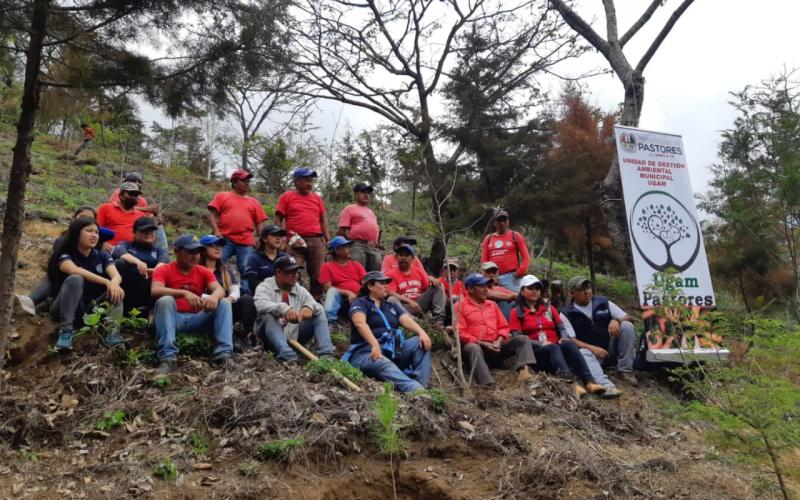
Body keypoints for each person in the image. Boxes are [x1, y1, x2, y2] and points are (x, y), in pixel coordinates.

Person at [509, 275, 609, 398]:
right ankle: (569, 384)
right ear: (522, 291)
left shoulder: (548, 308)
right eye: (530, 288)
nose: (534, 291)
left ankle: (589, 382)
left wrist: (563, 337)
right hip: (536, 352)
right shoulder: (516, 312)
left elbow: (560, 325)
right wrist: (541, 344)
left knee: (569, 344)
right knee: (553, 347)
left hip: (556, 346)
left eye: (537, 288)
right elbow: (518, 338)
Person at [151, 234, 234, 374]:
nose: (195, 256)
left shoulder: (203, 271)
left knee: (224, 303)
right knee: (165, 300)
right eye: (190, 252)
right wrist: (183, 293)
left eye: (197, 252)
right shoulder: (164, 269)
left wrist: (214, 297)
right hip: (172, 318)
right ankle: (167, 357)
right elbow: (155, 290)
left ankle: (223, 354)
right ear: (176, 251)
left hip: (196, 318)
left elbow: (219, 289)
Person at [343, 271, 432, 393]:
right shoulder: (360, 303)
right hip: (365, 352)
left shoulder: (389, 305)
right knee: (382, 362)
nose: (386, 286)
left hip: (393, 350)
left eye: (387, 283)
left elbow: (405, 319)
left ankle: (421, 385)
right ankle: (416, 390)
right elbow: (360, 323)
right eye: (382, 283)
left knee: (419, 343)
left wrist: (422, 333)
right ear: (370, 286)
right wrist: (374, 344)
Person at [46, 217, 125, 350]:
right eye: (89, 231)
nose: (94, 235)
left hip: (88, 309)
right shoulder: (64, 253)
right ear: (77, 233)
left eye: (96, 232)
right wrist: (107, 282)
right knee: (75, 278)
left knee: (117, 290)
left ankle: (112, 333)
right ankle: (66, 331)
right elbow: (74, 270)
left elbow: (116, 275)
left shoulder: (102, 256)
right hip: (62, 308)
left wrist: (114, 284)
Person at [16, 206, 105, 314]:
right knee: (56, 273)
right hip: (65, 279)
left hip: (87, 288)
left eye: (90, 219)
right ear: (73, 218)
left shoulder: (96, 242)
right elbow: (62, 263)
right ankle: (32, 300)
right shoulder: (64, 240)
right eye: (82, 217)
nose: (85, 221)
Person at [456, 273, 536, 386]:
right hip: (478, 350)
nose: (486, 290)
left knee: (522, 339)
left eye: (487, 286)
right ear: (470, 289)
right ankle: (487, 383)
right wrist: (482, 343)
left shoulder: (492, 305)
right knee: (472, 347)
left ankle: (524, 372)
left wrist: (498, 341)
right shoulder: (460, 306)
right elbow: (460, 332)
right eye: (481, 286)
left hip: (496, 347)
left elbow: (504, 326)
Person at [253, 255, 336, 363]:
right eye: (289, 272)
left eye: (296, 271)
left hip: (294, 335)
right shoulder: (265, 286)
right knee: (267, 316)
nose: (294, 275)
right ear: (278, 272)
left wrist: (308, 307)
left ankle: (327, 355)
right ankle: (287, 355)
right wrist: (283, 308)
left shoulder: (299, 289)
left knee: (319, 311)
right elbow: (260, 304)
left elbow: (313, 304)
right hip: (270, 340)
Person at [560, 276, 638, 388]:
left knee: (627, 325)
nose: (587, 291)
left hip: (611, 349)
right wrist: (592, 348)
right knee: (583, 352)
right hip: (591, 354)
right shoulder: (566, 313)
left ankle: (625, 371)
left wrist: (616, 320)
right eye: (582, 290)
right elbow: (572, 339)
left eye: (588, 287)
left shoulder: (603, 302)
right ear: (572, 293)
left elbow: (629, 317)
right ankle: (605, 385)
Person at [207, 169, 268, 293]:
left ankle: (245, 294)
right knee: (216, 263)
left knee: (246, 268)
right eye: (244, 180)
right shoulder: (223, 196)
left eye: (248, 181)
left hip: (246, 240)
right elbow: (212, 214)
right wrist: (216, 230)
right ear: (234, 182)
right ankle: (214, 289)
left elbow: (260, 223)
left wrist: (262, 239)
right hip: (225, 239)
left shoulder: (254, 202)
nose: (247, 183)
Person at [275, 167, 330, 299]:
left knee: (318, 273)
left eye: (311, 180)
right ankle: (293, 298)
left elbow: (323, 220)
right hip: (295, 239)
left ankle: (316, 299)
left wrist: (327, 239)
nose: (310, 183)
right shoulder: (287, 196)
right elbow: (278, 219)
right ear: (297, 181)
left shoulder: (317, 198)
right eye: (306, 180)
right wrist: (280, 239)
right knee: (293, 270)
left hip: (316, 239)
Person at [199, 235, 258, 351]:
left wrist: (228, 300)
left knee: (247, 300)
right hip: (204, 309)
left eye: (219, 246)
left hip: (227, 305)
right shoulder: (196, 269)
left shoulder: (225, 270)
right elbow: (195, 293)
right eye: (212, 246)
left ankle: (244, 335)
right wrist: (217, 299)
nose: (218, 249)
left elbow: (235, 289)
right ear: (202, 250)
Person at [112, 216, 169, 314]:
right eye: (144, 230)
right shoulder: (126, 245)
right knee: (120, 263)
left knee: (164, 271)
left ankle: (151, 310)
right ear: (134, 232)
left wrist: (156, 271)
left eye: (152, 230)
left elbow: (164, 260)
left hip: (148, 289)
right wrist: (137, 262)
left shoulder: (159, 250)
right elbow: (117, 251)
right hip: (127, 288)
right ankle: (119, 306)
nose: (149, 233)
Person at [386, 243, 446, 327]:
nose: (403, 257)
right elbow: (390, 292)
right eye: (401, 255)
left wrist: (432, 280)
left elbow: (427, 287)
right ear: (397, 257)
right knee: (391, 299)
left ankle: (438, 321)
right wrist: (409, 301)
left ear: (413, 258)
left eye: (407, 255)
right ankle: (416, 322)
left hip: (419, 305)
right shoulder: (391, 274)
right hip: (404, 307)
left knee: (438, 286)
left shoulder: (418, 271)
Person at [109, 172, 167, 250]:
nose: (137, 183)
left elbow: (147, 218)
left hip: (137, 229)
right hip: (121, 226)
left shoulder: (142, 200)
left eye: (139, 182)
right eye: (133, 180)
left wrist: (156, 216)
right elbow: (119, 206)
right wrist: (147, 209)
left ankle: (161, 252)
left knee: (158, 227)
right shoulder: (119, 192)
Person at [480, 210, 531, 293]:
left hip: (511, 276)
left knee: (514, 301)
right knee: (495, 302)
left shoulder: (515, 235)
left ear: (508, 222)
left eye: (504, 220)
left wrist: (518, 273)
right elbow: (484, 260)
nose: (502, 223)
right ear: (495, 223)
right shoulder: (488, 238)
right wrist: (488, 276)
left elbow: (526, 257)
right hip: (492, 277)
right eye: (499, 220)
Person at [319, 236, 367, 325]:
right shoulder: (327, 266)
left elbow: (366, 281)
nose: (349, 249)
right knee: (331, 291)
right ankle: (330, 321)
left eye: (349, 247)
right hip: (341, 301)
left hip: (358, 299)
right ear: (337, 250)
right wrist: (347, 293)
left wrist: (361, 293)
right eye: (346, 247)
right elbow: (327, 287)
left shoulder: (356, 265)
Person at [337, 183, 381, 271]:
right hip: (357, 246)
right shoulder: (349, 208)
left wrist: (376, 243)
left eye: (368, 193)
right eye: (363, 192)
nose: (366, 195)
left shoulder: (370, 212)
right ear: (356, 194)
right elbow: (342, 229)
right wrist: (348, 245)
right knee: (357, 273)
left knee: (374, 276)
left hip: (372, 247)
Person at [97, 181, 143, 247]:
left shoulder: (141, 215)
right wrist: (102, 243)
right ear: (120, 195)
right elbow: (96, 230)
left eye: (136, 195)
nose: (133, 197)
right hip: (110, 250)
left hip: (133, 251)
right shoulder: (105, 208)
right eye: (130, 194)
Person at [243, 224, 287, 293]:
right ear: (264, 238)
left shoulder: (285, 258)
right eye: (274, 235)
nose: (278, 238)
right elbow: (253, 284)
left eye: (280, 235)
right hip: (262, 297)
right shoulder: (254, 258)